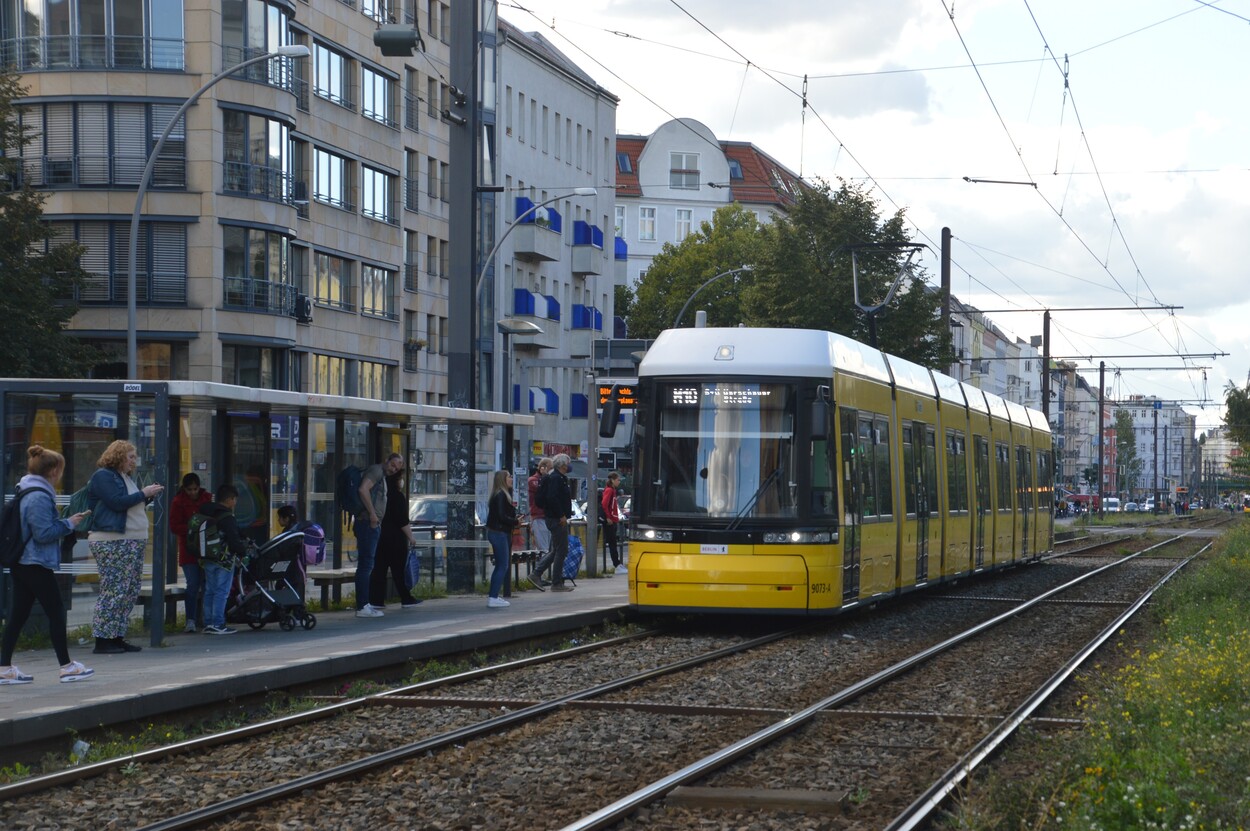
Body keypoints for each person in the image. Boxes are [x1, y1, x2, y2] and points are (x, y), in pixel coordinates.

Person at [0, 446, 94, 684]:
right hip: (34, 562)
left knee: (18, 616)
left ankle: (4, 668)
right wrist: (69, 523)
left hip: (23, 562)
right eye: (60, 468)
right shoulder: (39, 496)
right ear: (53, 470)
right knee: (56, 612)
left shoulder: (25, 490)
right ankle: (67, 666)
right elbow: (43, 534)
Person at [86, 439, 163, 655]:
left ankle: (117, 636)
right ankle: (103, 639)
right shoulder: (103, 476)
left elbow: (129, 505)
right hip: (112, 540)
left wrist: (145, 497)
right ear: (119, 456)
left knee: (129, 590)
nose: (134, 461)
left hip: (130, 540)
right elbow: (116, 502)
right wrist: (144, 494)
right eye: (130, 457)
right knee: (114, 589)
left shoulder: (124, 477)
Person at [196, 483, 252, 635]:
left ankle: (208, 623)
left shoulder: (207, 512)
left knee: (209, 590)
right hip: (224, 559)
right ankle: (218, 623)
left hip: (207, 557)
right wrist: (243, 552)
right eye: (234, 499)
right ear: (229, 499)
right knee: (222, 591)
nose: (235, 503)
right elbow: (233, 539)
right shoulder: (227, 516)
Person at [354, 453, 404, 618]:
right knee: (366, 566)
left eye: (397, 468)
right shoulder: (376, 471)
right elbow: (363, 489)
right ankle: (362, 606)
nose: (393, 469)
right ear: (386, 460)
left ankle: (364, 604)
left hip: (371, 523)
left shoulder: (381, 474)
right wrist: (373, 515)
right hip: (368, 523)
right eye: (392, 465)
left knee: (367, 565)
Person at [370, 459, 421, 610]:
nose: (402, 481)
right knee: (399, 570)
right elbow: (402, 521)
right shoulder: (397, 497)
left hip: (381, 537)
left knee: (379, 569)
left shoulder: (382, 494)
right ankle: (406, 597)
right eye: (401, 479)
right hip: (396, 539)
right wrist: (411, 537)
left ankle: (376, 600)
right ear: (397, 480)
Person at [170, 473, 211, 633]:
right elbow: (174, 526)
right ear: (184, 488)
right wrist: (193, 528)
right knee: (193, 585)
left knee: (206, 585)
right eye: (189, 490)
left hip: (205, 549)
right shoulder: (178, 501)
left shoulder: (207, 498)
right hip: (189, 549)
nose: (193, 492)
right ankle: (191, 619)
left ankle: (204, 618)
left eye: (195, 489)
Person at [485, 470, 520, 608]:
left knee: (501, 565)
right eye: (509, 477)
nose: (511, 478)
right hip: (499, 532)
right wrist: (515, 521)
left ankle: (493, 596)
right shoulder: (501, 495)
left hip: (498, 532)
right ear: (503, 480)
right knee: (503, 565)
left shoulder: (500, 495)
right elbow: (502, 516)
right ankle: (493, 597)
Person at [542, 454, 575, 592]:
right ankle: (556, 583)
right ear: (563, 465)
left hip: (558, 518)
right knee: (561, 550)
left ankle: (538, 574)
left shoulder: (560, 478)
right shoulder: (556, 478)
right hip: (557, 519)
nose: (570, 465)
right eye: (569, 463)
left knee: (558, 550)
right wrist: (561, 515)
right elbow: (552, 498)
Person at [601, 472, 625, 574]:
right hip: (610, 521)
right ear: (613, 480)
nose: (619, 482)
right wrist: (608, 517)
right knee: (612, 544)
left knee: (613, 543)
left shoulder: (613, 491)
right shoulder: (609, 490)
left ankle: (618, 564)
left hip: (613, 520)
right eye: (618, 480)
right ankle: (617, 565)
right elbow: (604, 504)